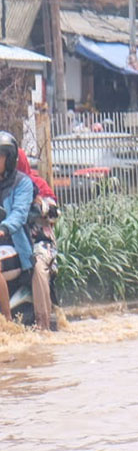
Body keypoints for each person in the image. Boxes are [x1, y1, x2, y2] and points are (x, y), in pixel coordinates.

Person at [15, 149, 56, 330]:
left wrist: (40, 205)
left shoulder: (37, 185)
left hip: (39, 243)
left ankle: (43, 324)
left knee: (37, 267)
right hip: (11, 242)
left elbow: (54, 213)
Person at [0, 132, 35, 323]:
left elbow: (19, 214)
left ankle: (6, 323)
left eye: (0, 155)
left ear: (10, 158)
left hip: (14, 245)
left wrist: (4, 228)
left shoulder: (22, 183)